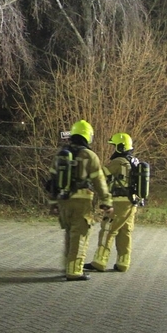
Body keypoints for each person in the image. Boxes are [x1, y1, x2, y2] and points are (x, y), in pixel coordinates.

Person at [51, 120, 112, 281]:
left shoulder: (61, 153)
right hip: (81, 201)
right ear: (87, 136)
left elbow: (52, 180)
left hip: (63, 201)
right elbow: (99, 180)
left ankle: (68, 267)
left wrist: (53, 203)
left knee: (69, 234)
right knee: (80, 236)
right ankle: (75, 271)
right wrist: (106, 201)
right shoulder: (89, 155)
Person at [86, 132, 140, 273]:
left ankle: (99, 261)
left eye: (114, 146)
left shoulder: (118, 162)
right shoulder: (134, 161)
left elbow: (101, 175)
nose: (113, 149)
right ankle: (123, 263)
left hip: (118, 203)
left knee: (107, 230)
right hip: (131, 203)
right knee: (125, 233)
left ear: (120, 147)